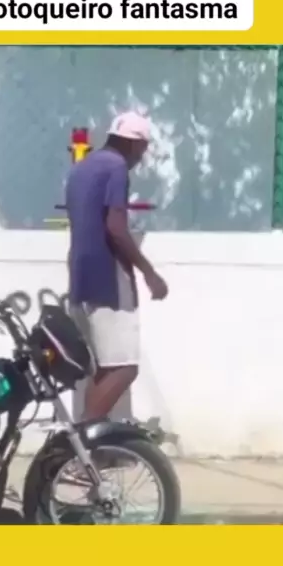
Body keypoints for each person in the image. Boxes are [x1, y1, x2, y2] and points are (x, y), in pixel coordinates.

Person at [66, 111, 168, 422]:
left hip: (80, 278)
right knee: (125, 368)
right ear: (135, 144)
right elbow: (116, 227)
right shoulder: (117, 168)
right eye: (143, 148)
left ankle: (88, 442)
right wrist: (149, 273)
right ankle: (83, 440)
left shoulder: (81, 168)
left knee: (105, 368)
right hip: (108, 279)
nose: (142, 156)